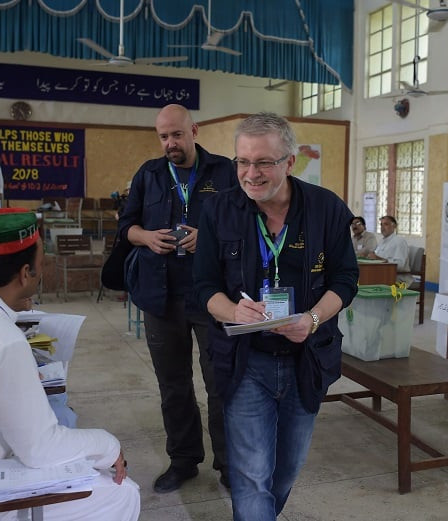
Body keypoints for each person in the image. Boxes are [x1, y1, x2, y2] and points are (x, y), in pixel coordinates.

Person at [0, 208, 140, 521]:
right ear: (24, 274)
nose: (41, 271)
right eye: (41, 264)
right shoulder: (0, 339)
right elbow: (41, 448)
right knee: (120, 493)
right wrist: (109, 445)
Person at [192, 112, 359, 520]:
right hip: (245, 362)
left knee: (284, 473)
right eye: (242, 162)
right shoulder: (218, 211)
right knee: (250, 475)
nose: (250, 174)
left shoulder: (326, 209)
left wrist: (313, 319)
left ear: (290, 161)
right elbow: (202, 287)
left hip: (308, 359)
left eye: (263, 162)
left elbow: (346, 279)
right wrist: (233, 310)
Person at [119, 103, 237, 493]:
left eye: (176, 134)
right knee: (173, 384)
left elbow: (243, 221)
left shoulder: (225, 172)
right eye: (163, 136)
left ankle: (228, 465)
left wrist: (208, 235)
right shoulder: (149, 174)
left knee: (220, 382)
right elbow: (127, 228)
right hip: (160, 294)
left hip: (211, 295)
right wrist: (147, 237)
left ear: (194, 131)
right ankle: (183, 460)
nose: (170, 143)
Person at [366, 215, 412, 285]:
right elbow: (375, 256)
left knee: (367, 280)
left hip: (398, 279)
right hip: (383, 274)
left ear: (394, 226)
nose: (382, 227)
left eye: (386, 224)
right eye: (381, 225)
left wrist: (379, 259)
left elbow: (400, 266)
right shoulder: (382, 241)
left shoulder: (399, 241)